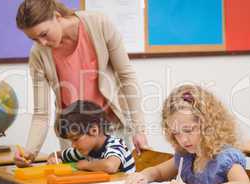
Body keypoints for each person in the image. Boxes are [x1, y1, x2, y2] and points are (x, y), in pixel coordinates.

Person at [14, 0, 149, 167]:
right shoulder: (38, 54)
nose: (42, 43)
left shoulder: (98, 24)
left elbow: (126, 76)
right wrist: (29, 153)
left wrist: (139, 130)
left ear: (57, 16)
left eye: (44, 34)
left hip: (111, 128)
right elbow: (41, 114)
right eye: (34, 39)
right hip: (75, 136)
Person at [124, 85, 250, 184]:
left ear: (208, 126)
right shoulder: (186, 156)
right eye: (176, 133)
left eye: (189, 130)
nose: (183, 140)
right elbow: (160, 172)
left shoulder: (224, 156)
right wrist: (145, 175)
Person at [47, 100, 135, 173]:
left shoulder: (115, 144)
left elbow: (110, 166)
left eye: (76, 139)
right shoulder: (82, 151)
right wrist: (54, 159)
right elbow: (56, 155)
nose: (73, 145)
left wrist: (86, 165)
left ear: (94, 130)